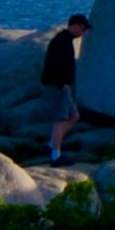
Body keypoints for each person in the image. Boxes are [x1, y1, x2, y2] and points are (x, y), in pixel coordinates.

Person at [40, 12, 91, 162]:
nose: (84, 32)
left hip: (62, 85)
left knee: (74, 116)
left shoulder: (66, 40)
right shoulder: (61, 41)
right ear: (75, 26)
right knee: (60, 119)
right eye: (83, 28)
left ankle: (51, 144)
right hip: (56, 85)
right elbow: (56, 65)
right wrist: (62, 83)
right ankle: (56, 155)